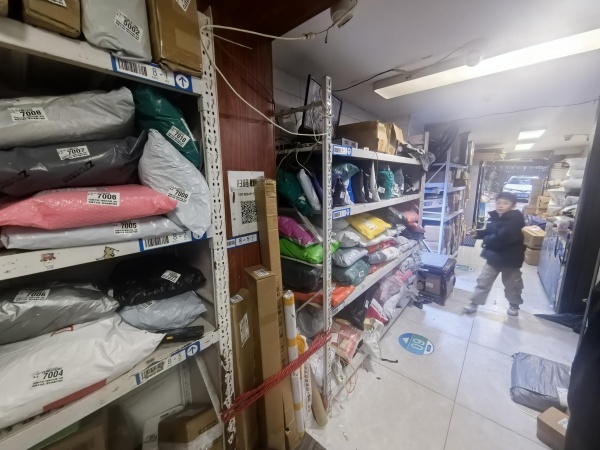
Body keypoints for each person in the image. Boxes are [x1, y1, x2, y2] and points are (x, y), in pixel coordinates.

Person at [463, 192, 525, 316]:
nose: (501, 205)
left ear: (513, 205)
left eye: (506, 203)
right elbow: (490, 231)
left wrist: (486, 241)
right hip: (494, 258)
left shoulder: (515, 220)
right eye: (498, 202)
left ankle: (514, 304)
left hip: (510, 260)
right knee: (484, 281)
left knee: (512, 284)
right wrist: (478, 233)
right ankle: (474, 303)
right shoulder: (496, 216)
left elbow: (501, 238)